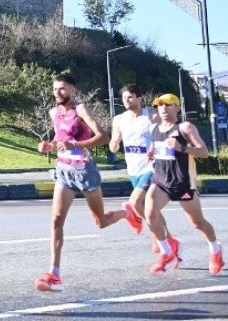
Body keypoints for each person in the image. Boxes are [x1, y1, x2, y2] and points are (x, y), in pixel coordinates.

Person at [34, 74, 128, 291]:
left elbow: (103, 137)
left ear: (73, 90)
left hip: (85, 171)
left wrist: (75, 144)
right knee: (56, 220)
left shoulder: (81, 109)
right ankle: (54, 274)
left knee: (101, 222)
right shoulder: (53, 112)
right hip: (64, 170)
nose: (58, 92)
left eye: (63, 88)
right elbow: (60, 140)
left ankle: (126, 213)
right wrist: (48, 145)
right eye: (55, 89)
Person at [145, 93, 223, 275]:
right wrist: (150, 153)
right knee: (150, 214)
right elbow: (155, 146)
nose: (163, 108)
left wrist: (181, 148)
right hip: (161, 181)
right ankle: (166, 251)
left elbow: (204, 152)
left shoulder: (185, 127)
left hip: (183, 182)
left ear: (177, 108)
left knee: (197, 223)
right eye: (160, 105)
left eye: (168, 105)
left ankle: (215, 249)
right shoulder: (154, 128)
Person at [109, 83, 173, 253]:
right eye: (123, 98)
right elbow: (113, 145)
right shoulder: (119, 119)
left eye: (130, 97)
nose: (126, 101)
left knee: (135, 202)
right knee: (149, 208)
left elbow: (167, 132)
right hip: (133, 168)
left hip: (152, 167)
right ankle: (166, 236)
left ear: (139, 98)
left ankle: (160, 239)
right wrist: (114, 143)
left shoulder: (152, 116)